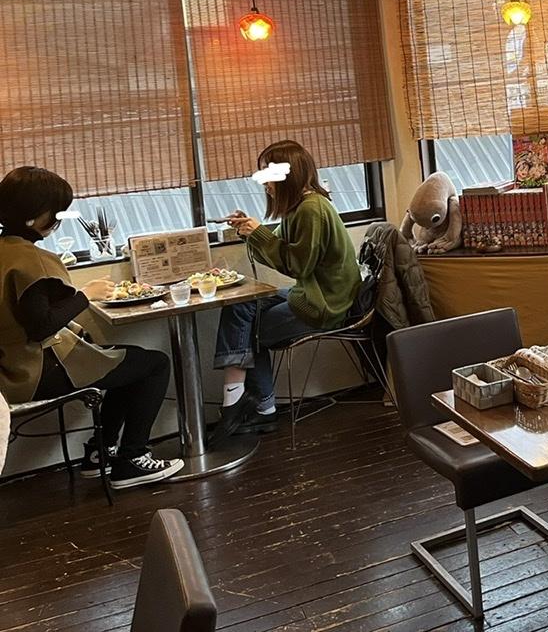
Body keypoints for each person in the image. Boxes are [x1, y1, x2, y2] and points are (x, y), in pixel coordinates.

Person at [0, 166, 182, 488]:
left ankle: (100, 453)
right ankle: (132, 458)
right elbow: (41, 327)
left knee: (129, 362)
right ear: (36, 214)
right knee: (155, 364)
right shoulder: (29, 259)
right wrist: (87, 295)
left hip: (9, 369)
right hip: (31, 371)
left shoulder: (5, 250)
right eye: (56, 211)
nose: (58, 219)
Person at [210, 140, 361, 441]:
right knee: (240, 305)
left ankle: (253, 407)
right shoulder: (299, 208)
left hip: (324, 304)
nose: (264, 183)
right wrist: (251, 231)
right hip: (310, 293)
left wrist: (258, 234)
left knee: (249, 331)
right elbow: (279, 247)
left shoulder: (311, 210)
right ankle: (238, 399)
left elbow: (297, 265)